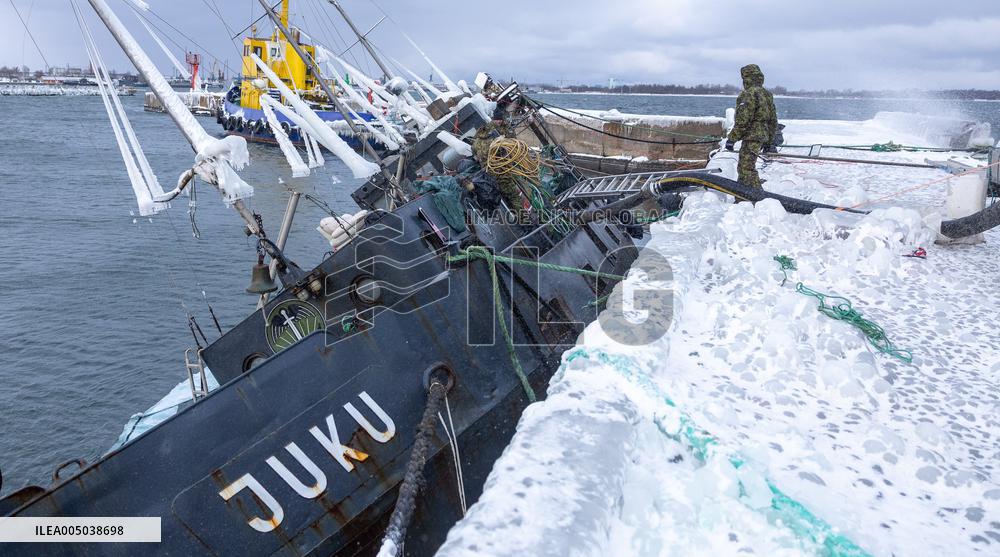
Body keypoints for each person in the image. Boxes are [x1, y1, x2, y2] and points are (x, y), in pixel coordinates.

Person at [725, 64, 778, 188]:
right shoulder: (767, 94)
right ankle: (742, 195)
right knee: (747, 166)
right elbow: (773, 120)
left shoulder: (748, 94)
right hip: (762, 135)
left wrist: (732, 139)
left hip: (752, 136)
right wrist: (769, 141)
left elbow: (743, 120)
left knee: (746, 168)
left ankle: (754, 196)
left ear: (746, 77)